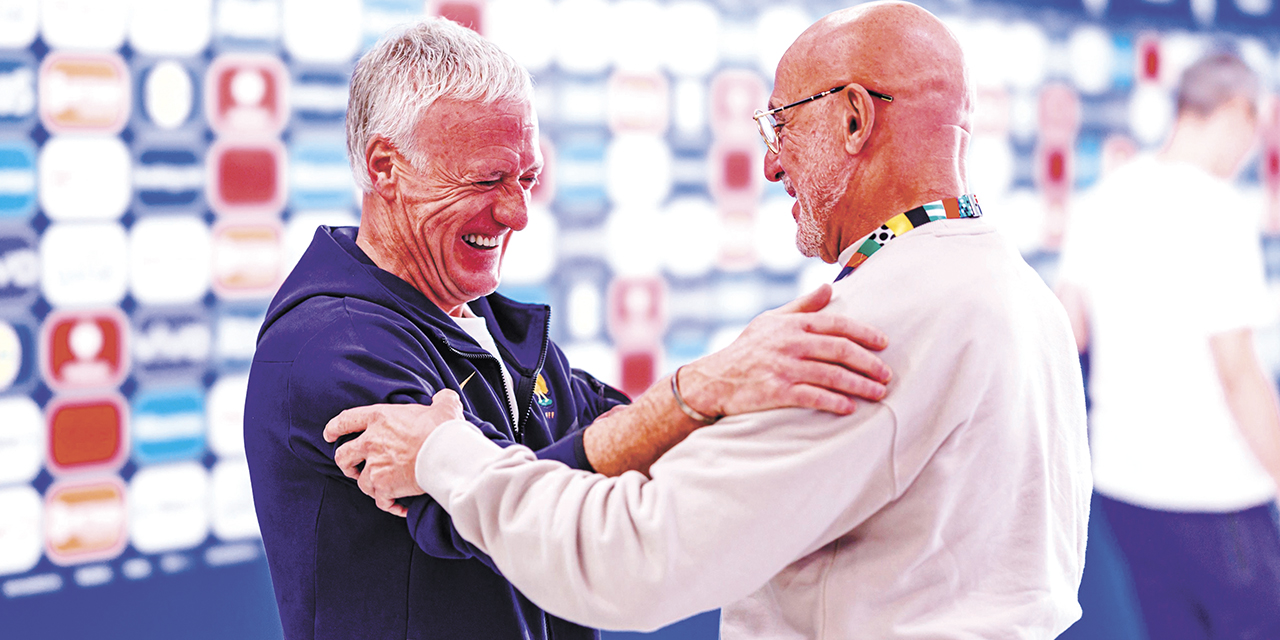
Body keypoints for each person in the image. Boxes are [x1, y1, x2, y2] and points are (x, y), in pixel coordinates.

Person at [324, 3, 1093, 638]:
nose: (770, 164)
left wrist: (443, 454)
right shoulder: (1018, 295)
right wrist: (701, 392)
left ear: (855, 118)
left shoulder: (861, 334)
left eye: (781, 127)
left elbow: (627, 558)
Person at [242, 17, 895, 640]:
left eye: (528, 176)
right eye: (487, 179)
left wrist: (759, 380)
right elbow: (503, 511)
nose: (518, 213)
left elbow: (634, 444)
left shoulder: (492, 326)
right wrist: (703, 385)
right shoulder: (332, 347)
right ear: (385, 167)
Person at [1056, 51, 1280, 638]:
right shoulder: (1218, 209)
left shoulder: (1103, 197)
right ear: (1236, 111)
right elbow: (1238, 372)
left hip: (1126, 487)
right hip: (1214, 493)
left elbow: (1069, 331)